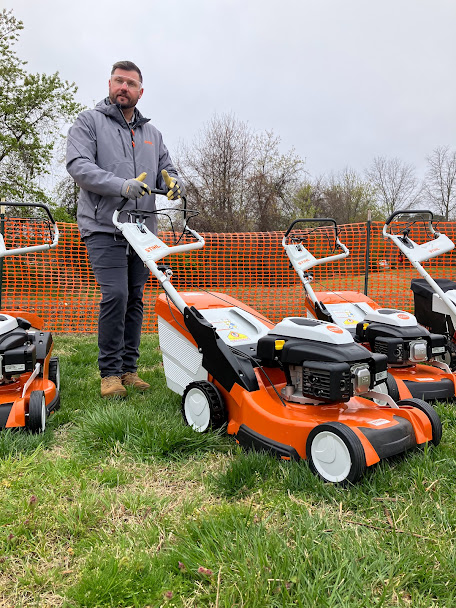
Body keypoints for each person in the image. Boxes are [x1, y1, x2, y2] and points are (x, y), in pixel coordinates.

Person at [66, 60, 184, 398]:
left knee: (135, 299)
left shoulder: (152, 134)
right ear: (110, 83)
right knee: (115, 295)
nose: (124, 88)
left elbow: (168, 170)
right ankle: (110, 374)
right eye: (119, 81)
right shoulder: (89, 122)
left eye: (131, 84)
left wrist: (175, 184)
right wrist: (121, 185)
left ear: (140, 92)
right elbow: (78, 165)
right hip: (104, 225)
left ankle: (130, 371)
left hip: (143, 229)